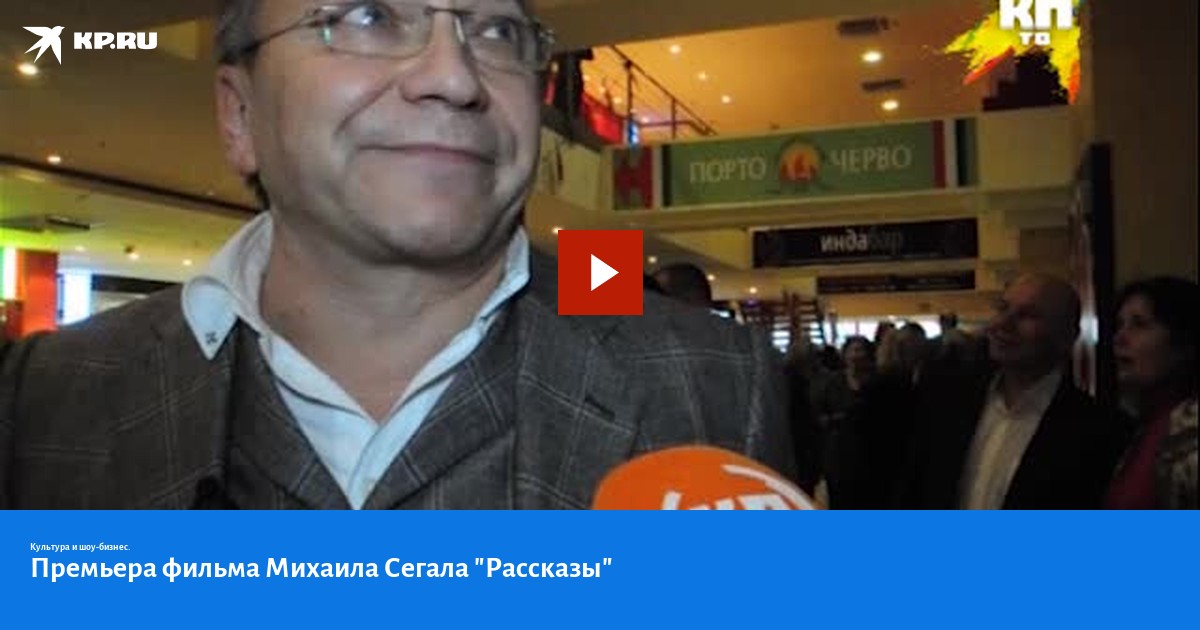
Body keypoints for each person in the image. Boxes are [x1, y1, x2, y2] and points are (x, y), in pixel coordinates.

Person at [0, 0, 795, 509]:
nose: (453, 77)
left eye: (496, 31)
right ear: (240, 116)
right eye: (369, 15)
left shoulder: (714, 381)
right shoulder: (48, 396)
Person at [900, 274, 1129, 509]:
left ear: (1066, 336)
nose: (1003, 324)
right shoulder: (947, 404)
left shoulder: (1101, 431)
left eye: (1027, 315)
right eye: (1002, 308)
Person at [1106, 277, 1198, 509]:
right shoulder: (1144, 426)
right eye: (1120, 325)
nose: (1119, 338)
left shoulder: (1190, 430)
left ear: (1184, 343)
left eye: (1139, 324)